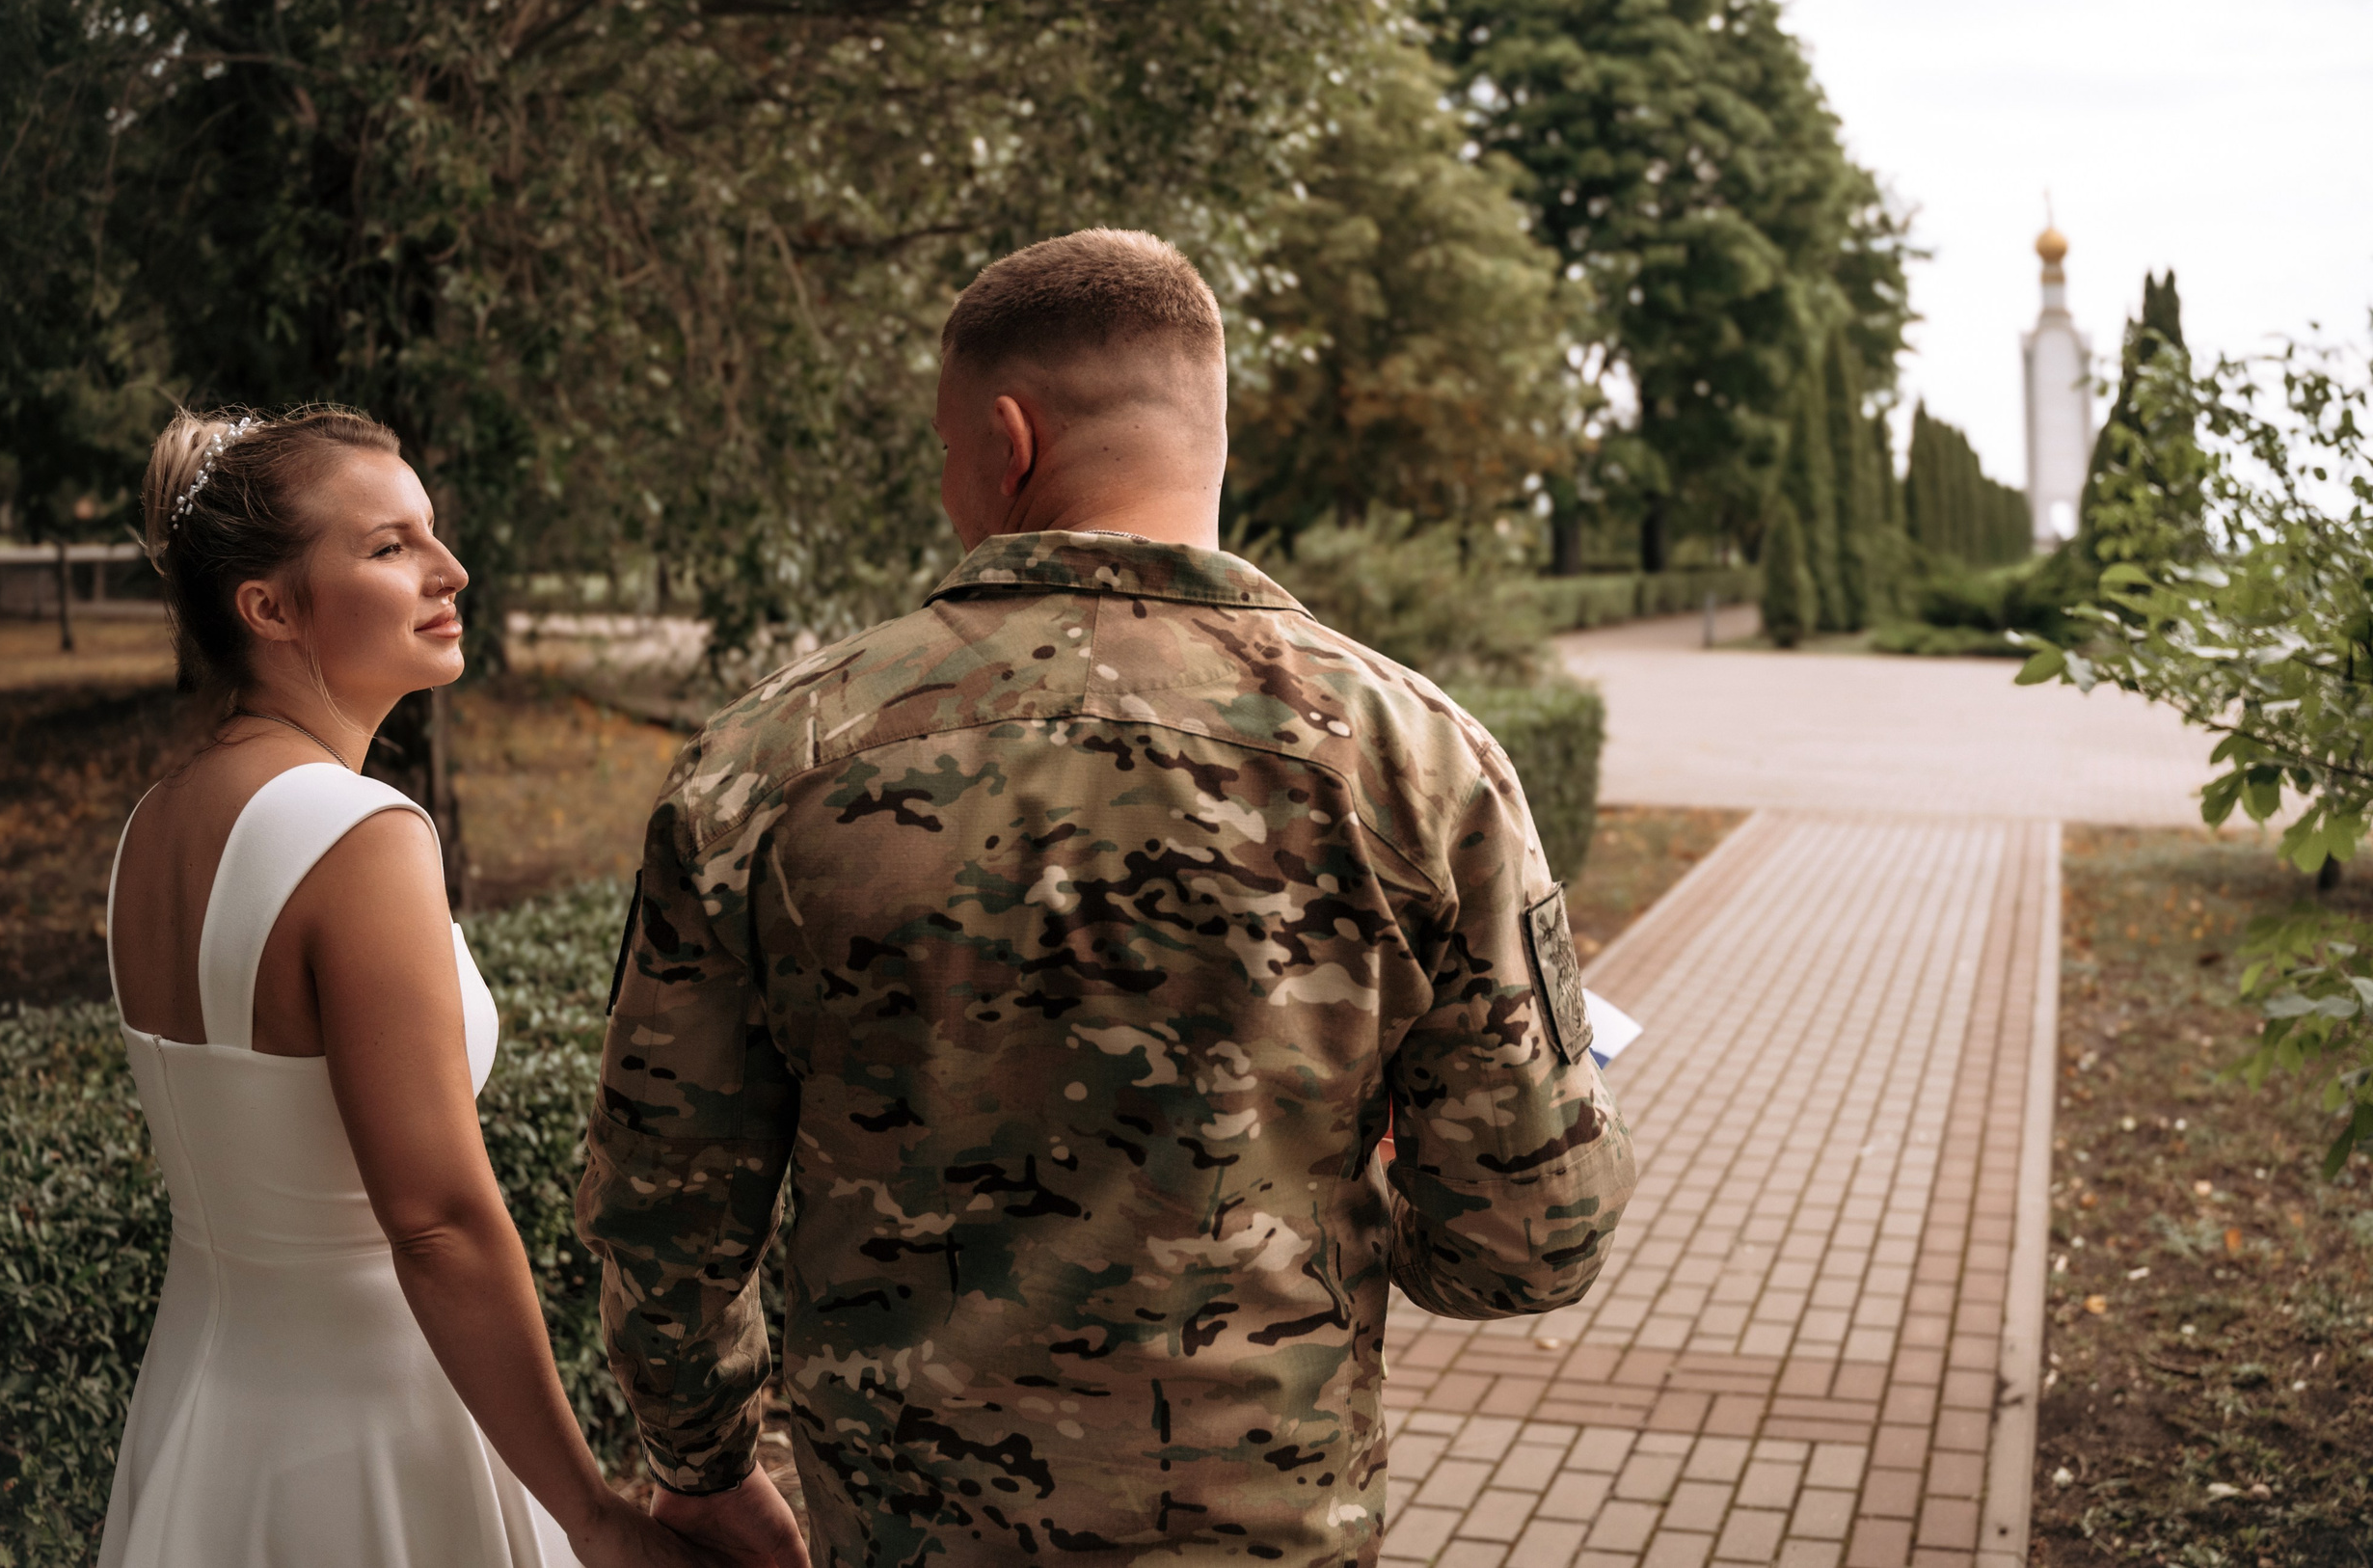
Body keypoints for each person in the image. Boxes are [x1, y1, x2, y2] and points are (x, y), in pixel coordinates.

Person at [578, 230, 1636, 1565]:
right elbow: (1531, 1240)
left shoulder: (768, 760)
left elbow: (666, 1207)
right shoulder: (1419, 763)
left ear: (1006, 441)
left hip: (902, 1527)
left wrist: (703, 1463)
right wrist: (1369, 1195)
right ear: (1212, 435)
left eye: (948, 449)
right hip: (1261, 1526)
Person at [98, 406, 742, 1568]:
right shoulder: (360, 835)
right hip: (368, 1427)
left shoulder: (155, 823)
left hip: (201, 1411)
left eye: (430, 531)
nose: (450, 569)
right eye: (389, 547)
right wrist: (592, 1514)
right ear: (269, 608)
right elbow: (438, 1224)